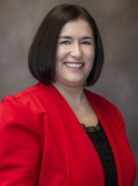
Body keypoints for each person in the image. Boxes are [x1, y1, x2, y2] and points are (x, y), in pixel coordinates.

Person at [0, 4, 136, 186]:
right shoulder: (20, 111)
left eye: (86, 42)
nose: (77, 53)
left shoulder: (111, 113)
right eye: (65, 41)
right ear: (47, 48)